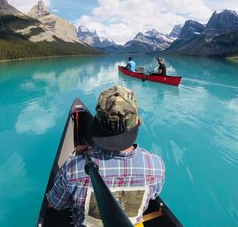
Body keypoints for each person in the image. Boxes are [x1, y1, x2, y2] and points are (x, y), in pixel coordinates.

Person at [47, 86, 165, 226]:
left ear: (96, 125)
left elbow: (56, 204)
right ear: (138, 122)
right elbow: (153, 196)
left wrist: (74, 157)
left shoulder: (73, 167)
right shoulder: (156, 166)